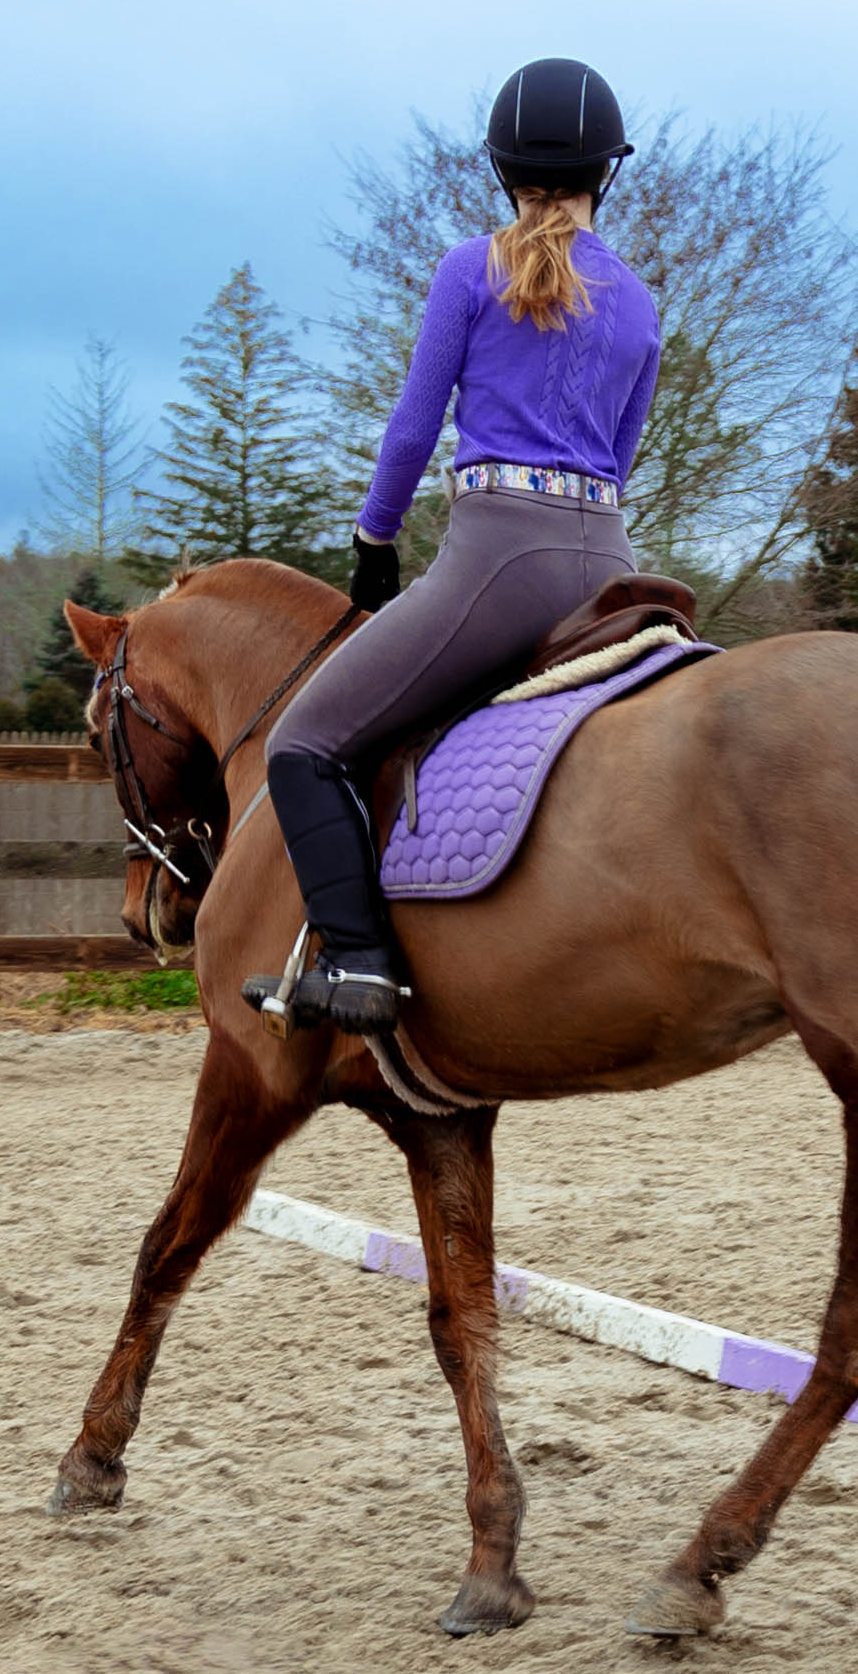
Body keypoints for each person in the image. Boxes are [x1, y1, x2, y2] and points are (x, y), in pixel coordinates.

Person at [261, 56, 660, 1033]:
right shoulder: (641, 303)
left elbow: (409, 431)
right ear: (609, 171)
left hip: (495, 563)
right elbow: (620, 451)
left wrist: (375, 535)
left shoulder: (468, 270)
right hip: (610, 566)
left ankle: (358, 962)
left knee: (302, 745)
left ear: (500, 167)